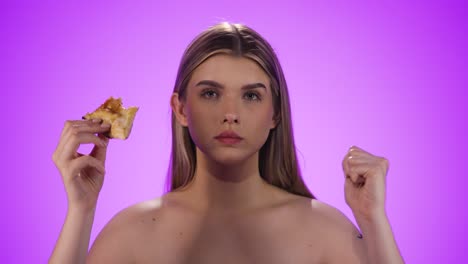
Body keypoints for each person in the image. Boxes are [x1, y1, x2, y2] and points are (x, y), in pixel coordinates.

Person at [49, 22, 404, 263]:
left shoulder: (327, 230)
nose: (230, 113)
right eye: (210, 93)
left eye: (251, 96)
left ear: (275, 113)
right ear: (180, 108)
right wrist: (81, 211)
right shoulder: (130, 232)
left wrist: (373, 220)